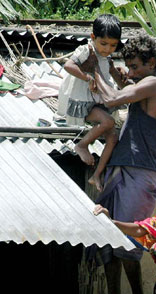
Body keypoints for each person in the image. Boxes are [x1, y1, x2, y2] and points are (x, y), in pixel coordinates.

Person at [91, 33, 156, 294]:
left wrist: (94, 71)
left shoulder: (154, 85)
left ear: (151, 63)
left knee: (128, 243)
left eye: (136, 66)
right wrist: (112, 69)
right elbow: (123, 87)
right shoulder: (143, 83)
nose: (132, 72)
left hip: (140, 173)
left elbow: (113, 99)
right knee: (108, 241)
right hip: (121, 168)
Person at [56, 14, 126, 191]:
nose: (107, 49)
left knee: (113, 138)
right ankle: (82, 145)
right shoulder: (86, 51)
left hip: (98, 101)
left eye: (113, 45)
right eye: (103, 44)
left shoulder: (108, 59)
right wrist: (87, 77)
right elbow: (68, 66)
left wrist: (124, 74)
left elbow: (118, 81)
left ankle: (96, 175)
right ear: (93, 37)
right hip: (83, 101)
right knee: (108, 122)